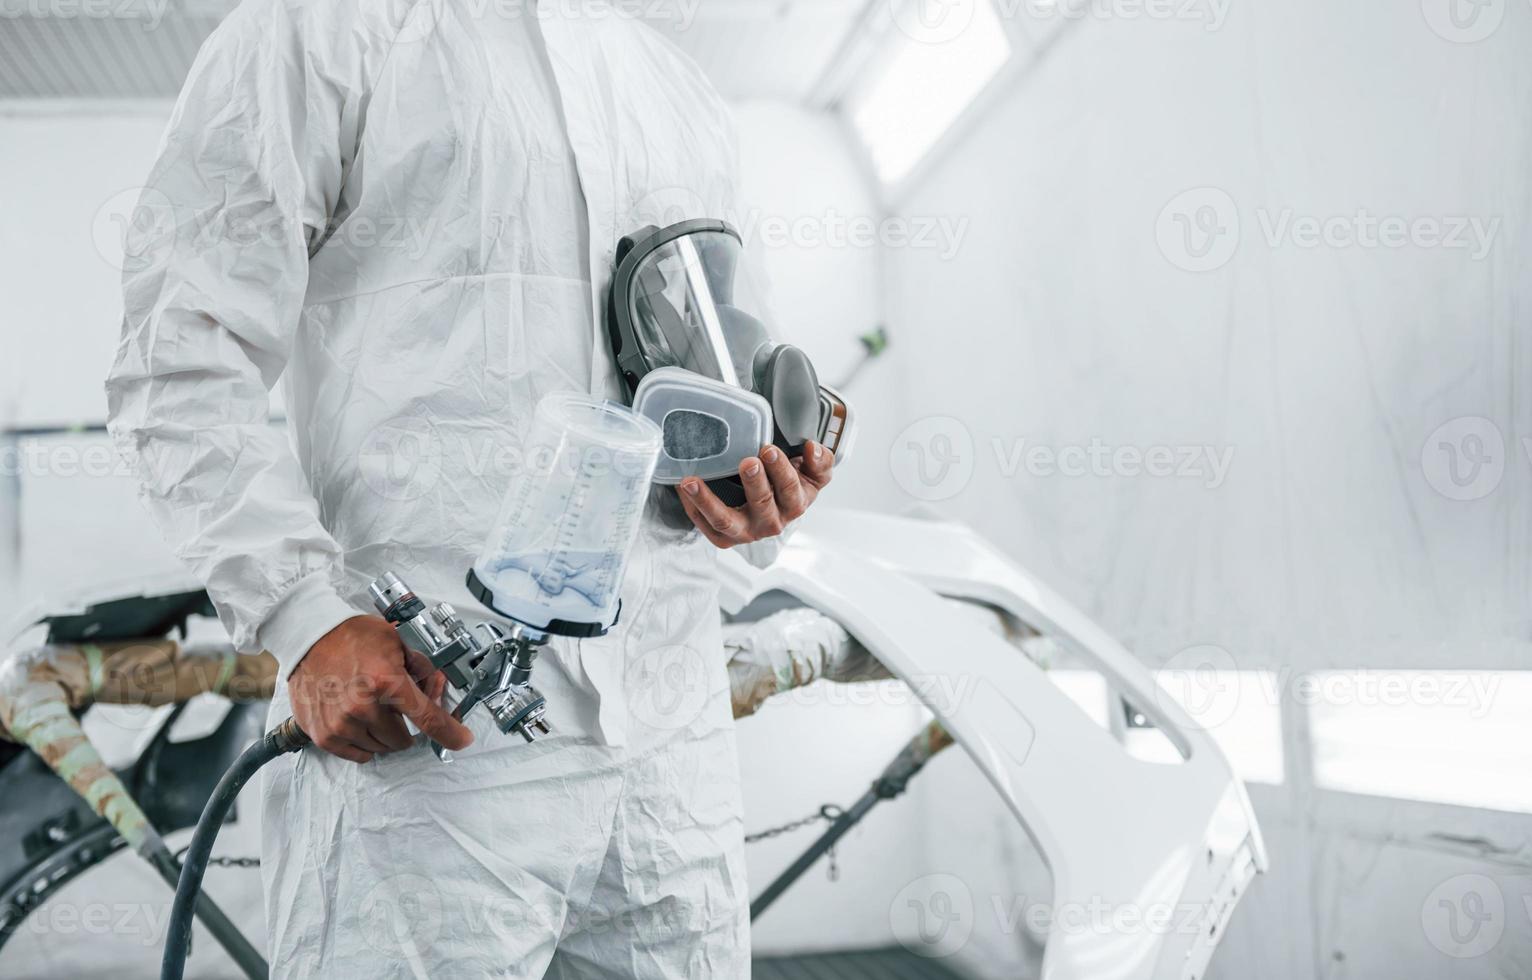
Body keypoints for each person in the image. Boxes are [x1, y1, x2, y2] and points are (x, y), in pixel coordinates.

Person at [104, 0, 832, 975]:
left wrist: (750, 487)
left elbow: (724, 364)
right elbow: (179, 350)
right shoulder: (320, 31)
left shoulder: (676, 89)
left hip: (670, 732)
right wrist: (302, 617)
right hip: (428, 738)